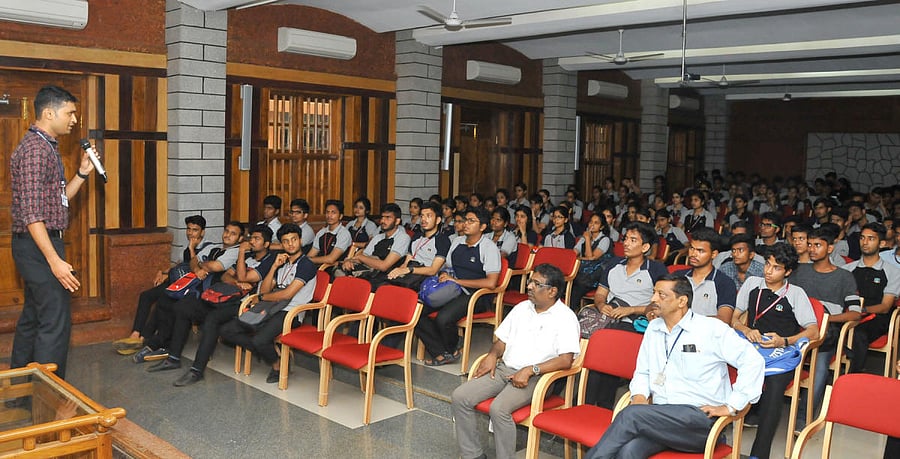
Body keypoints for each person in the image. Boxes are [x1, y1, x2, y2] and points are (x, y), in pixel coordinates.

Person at [584, 275, 764, 459]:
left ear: (682, 301)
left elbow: (753, 361)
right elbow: (643, 371)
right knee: (628, 451)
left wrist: (732, 405)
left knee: (629, 415)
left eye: (661, 295)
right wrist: (639, 396)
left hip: (699, 422)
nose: (653, 299)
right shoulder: (654, 329)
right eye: (654, 292)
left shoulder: (710, 329)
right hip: (660, 418)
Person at [9, 85, 97, 379]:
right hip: (39, 245)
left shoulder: (45, 146)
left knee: (34, 318)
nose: (74, 119)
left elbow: (56, 201)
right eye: (70, 112)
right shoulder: (35, 150)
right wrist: (54, 261)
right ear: (49, 112)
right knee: (54, 323)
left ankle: (21, 390)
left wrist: (82, 173)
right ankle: (48, 396)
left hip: (39, 243)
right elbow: (33, 215)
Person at [451, 264, 580, 459]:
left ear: (552, 291)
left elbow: (565, 360)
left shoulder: (566, 318)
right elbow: (501, 342)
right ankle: (473, 455)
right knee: (460, 396)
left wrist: (531, 370)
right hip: (504, 369)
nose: (529, 287)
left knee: (499, 409)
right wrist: (492, 355)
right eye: (530, 281)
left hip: (538, 377)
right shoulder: (521, 308)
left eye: (536, 284)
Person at [148, 225, 276, 386]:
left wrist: (241, 256)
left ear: (266, 244)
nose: (251, 242)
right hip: (225, 296)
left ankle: (197, 370)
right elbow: (225, 277)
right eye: (251, 238)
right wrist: (238, 281)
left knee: (212, 320)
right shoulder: (249, 257)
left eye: (257, 239)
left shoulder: (268, 261)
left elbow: (245, 276)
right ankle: (173, 358)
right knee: (184, 307)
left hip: (244, 303)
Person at [731, 242, 819, 459]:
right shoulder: (752, 283)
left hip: (780, 354)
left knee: (775, 384)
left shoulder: (796, 293)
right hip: (752, 348)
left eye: (776, 267)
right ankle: (714, 437)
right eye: (767, 265)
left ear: (787, 272)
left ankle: (759, 453)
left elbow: (814, 331)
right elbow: (734, 318)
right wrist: (746, 328)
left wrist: (785, 341)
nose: (768, 271)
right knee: (719, 369)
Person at [219, 224, 318, 384]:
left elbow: (287, 294)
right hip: (270, 307)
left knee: (260, 340)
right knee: (227, 331)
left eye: (294, 240)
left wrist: (264, 297)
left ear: (300, 240)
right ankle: (271, 353)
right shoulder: (281, 262)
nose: (290, 244)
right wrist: (274, 266)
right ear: (281, 244)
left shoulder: (306, 264)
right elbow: (264, 288)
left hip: (291, 313)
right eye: (286, 241)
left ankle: (277, 365)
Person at [133, 221, 244, 363]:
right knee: (164, 300)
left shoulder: (236, 252)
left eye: (233, 233)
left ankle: (160, 345)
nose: (228, 235)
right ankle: (160, 343)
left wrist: (201, 264)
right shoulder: (213, 247)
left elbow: (216, 266)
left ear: (240, 238)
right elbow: (192, 261)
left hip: (208, 295)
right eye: (226, 231)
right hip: (192, 287)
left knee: (179, 306)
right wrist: (198, 269)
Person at [586, 222, 668, 407]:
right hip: (609, 315)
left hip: (635, 320)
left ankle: (602, 406)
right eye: (625, 239)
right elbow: (600, 293)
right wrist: (601, 305)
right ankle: (587, 404)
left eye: (633, 240)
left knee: (610, 346)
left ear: (645, 247)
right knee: (595, 345)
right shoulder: (614, 264)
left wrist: (630, 309)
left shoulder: (655, 270)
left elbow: (660, 303)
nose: (626, 244)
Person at [789, 227, 860, 426]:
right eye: (810, 245)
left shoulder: (844, 276)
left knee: (820, 367)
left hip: (826, 331)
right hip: (796, 326)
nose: (812, 249)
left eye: (817, 245)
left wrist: (828, 319)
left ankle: (804, 416)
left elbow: (855, 312)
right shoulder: (799, 271)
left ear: (830, 248)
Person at [112, 215, 212, 355]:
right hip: (176, 283)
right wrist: (163, 272)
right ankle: (135, 334)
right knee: (146, 296)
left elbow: (195, 267)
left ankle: (143, 338)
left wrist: (191, 249)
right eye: (188, 229)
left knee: (162, 300)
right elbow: (180, 265)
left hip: (187, 289)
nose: (190, 233)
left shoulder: (208, 249)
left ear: (202, 232)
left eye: (195, 230)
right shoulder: (188, 247)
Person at [415, 207, 501, 366]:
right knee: (415, 312)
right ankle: (443, 352)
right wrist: (443, 276)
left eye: (471, 221)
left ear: (482, 227)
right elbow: (447, 266)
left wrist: (457, 282)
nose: (465, 224)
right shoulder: (457, 241)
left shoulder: (489, 248)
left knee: (443, 318)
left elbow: (491, 283)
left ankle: (450, 347)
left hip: (477, 295)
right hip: (452, 289)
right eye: (464, 220)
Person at [842, 223, 900, 373]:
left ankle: (854, 376)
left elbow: (885, 306)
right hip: (848, 314)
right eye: (862, 238)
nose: (865, 242)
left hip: (876, 316)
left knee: (859, 333)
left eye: (871, 239)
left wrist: (862, 310)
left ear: (881, 243)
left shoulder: (892, 272)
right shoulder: (848, 269)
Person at [340, 203, 411, 289]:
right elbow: (364, 256)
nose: (383, 221)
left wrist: (360, 257)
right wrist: (349, 261)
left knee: (355, 282)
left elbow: (384, 266)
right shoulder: (378, 237)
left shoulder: (403, 237)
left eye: (388, 218)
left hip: (386, 277)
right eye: (382, 217)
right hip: (369, 271)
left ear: (397, 221)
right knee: (340, 271)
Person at [673, 228, 736, 324]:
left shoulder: (725, 283)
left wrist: (687, 320)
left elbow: (724, 319)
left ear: (714, 254)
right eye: (691, 248)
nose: (693, 254)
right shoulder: (677, 276)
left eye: (700, 251)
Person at [387, 201, 450, 290]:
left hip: (426, 279)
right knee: (385, 284)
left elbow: (433, 270)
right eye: (422, 216)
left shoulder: (442, 240)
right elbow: (406, 262)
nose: (423, 219)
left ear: (438, 220)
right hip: (410, 274)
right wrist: (396, 273)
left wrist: (410, 270)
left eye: (428, 216)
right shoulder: (416, 236)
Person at [570, 213, 613, 309]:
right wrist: (585, 239)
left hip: (596, 274)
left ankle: (571, 309)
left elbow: (591, 257)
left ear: (601, 227)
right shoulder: (584, 237)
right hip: (584, 272)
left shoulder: (605, 239)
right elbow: (573, 253)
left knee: (579, 284)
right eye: (590, 222)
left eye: (596, 223)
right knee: (570, 281)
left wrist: (588, 239)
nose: (592, 225)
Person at [306, 199, 352, 271]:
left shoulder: (344, 233)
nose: (329, 215)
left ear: (340, 216)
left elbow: (331, 259)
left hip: (337, 270)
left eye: (333, 213)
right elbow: (311, 254)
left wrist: (309, 260)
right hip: (320, 268)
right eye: (327, 212)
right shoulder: (321, 233)